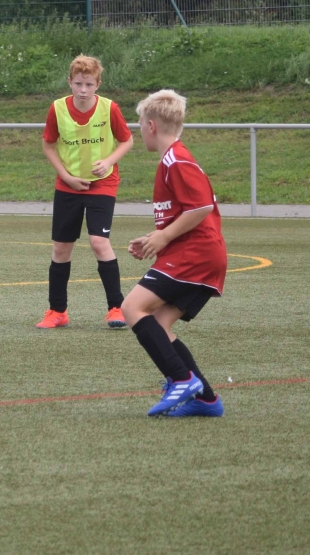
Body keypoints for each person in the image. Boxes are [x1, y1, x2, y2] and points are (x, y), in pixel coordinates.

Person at [119, 89, 226, 418]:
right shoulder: (173, 159)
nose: (139, 130)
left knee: (131, 307)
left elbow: (201, 207)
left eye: (140, 124)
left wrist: (164, 236)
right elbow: (185, 212)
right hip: (199, 253)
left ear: (151, 126)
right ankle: (206, 400)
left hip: (196, 254)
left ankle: (181, 379)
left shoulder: (176, 160)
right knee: (160, 323)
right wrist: (155, 238)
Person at [37, 55, 133, 329]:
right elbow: (48, 145)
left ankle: (117, 308)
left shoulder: (109, 108)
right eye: (78, 83)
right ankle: (57, 311)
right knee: (61, 247)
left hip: (102, 184)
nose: (83, 89)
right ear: (69, 82)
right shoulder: (57, 109)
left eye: (89, 84)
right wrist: (66, 177)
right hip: (68, 186)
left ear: (98, 84)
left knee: (99, 242)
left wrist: (109, 161)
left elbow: (127, 140)